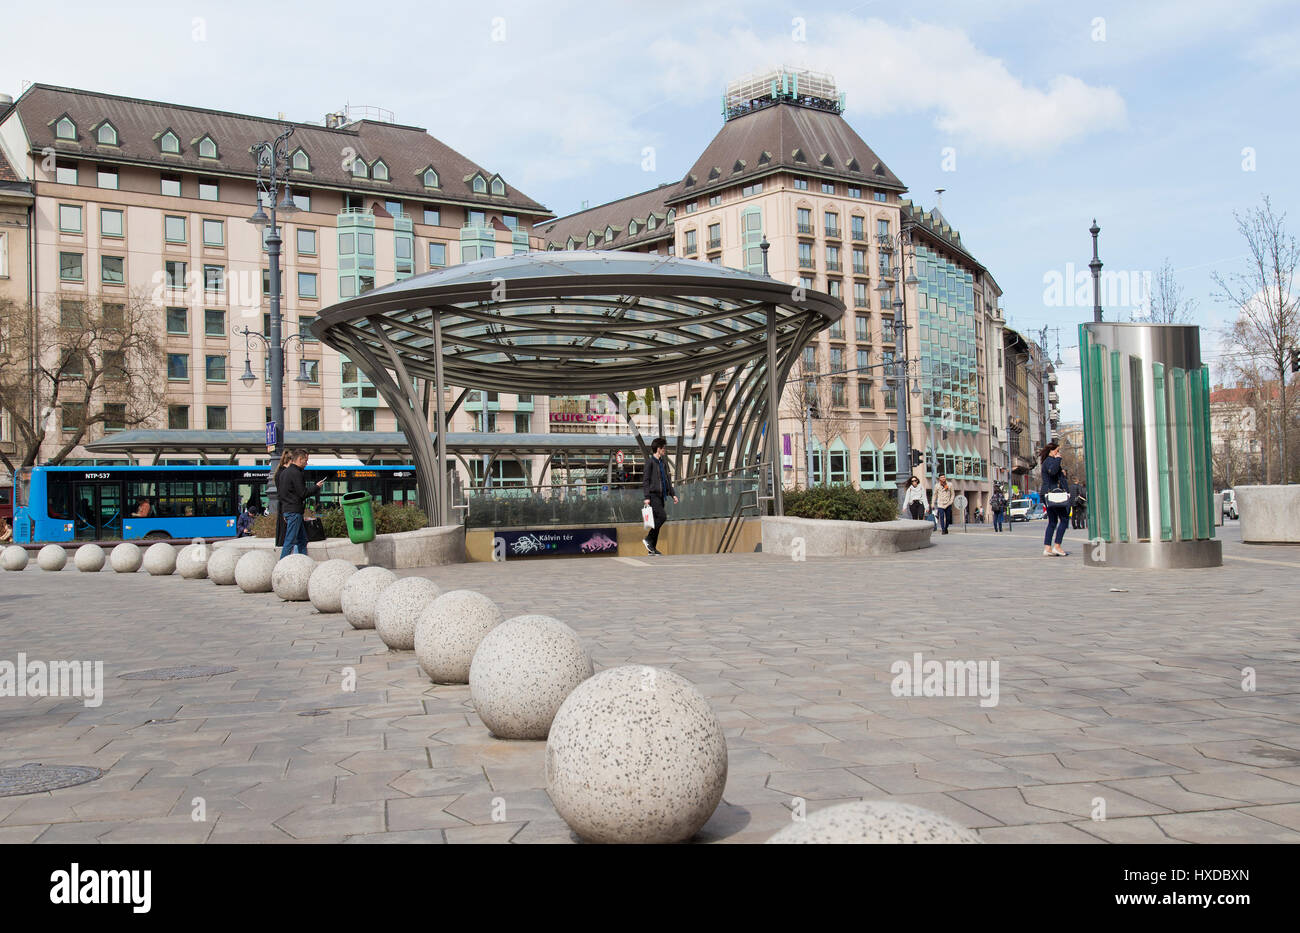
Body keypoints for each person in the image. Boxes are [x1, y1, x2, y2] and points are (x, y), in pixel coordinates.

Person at [276, 449, 324, 558]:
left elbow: (281, 494)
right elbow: (303, 493)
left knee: (302, 539)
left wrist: (285, 511)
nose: (306, 463)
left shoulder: (284, 473)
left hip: (288, 510)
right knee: (290, 540)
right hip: (294, 511)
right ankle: (281, 564)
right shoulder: (296, 473)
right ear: (299, 459)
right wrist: (316, 487)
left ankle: (304, 561)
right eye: (305, 460)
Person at [641, 437, 678, 556]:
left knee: (657, 521)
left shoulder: (663, 463)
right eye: (663, 448)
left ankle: (652, 549)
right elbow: (646, 481)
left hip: (662, 496)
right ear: (658, 448)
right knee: (662, 517)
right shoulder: (650, 462)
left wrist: (673, 494)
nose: (665, 450)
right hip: (653, 496)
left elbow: (667, 480)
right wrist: (647, 497)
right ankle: (648, 539)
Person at [1040, 442, 1070, 557]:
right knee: (1064, 519)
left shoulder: (1048, 461)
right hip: (1052, 494)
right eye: (1057, 451)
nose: (1059, 453)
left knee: (1052, 521)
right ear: (1052, 451)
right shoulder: (1050, 461)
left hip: (1050, 493)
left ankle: (1047, 547)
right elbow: (1052, 471)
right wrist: (1058, 460)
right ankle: (1057, 546)